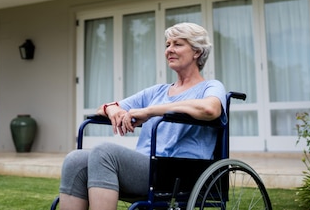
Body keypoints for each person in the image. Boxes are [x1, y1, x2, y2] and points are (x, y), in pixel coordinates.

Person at [58, 22, 226, 210]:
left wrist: (150, 111)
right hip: (147, 166)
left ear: (197, 52)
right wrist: (114, 110)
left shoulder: (211, 87)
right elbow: (104, 108)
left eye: (177, 44)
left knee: (104, 152)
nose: (169, 50)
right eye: (167, 45)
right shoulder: (157, 92)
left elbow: (210, 109)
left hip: (180, 171)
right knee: (75, 159)